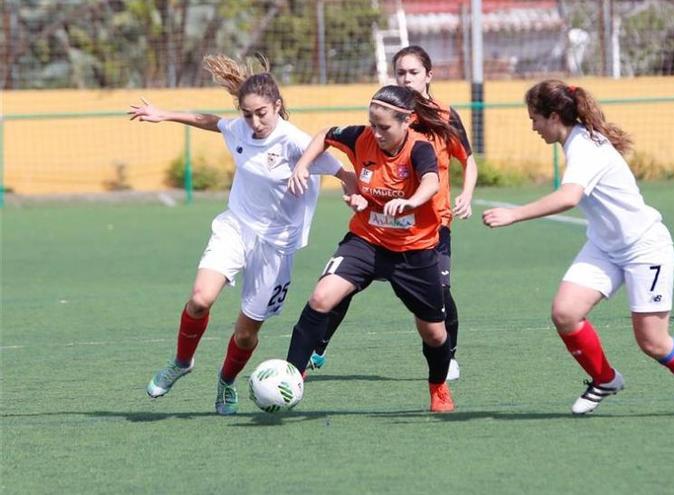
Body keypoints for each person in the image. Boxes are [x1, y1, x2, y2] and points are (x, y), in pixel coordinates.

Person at [482, 80, 674, 417]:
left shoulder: (585, 148)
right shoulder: (577, 141)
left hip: (645, 248)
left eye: (535, 119)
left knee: (652, 342)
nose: (533, 127)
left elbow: (569, 197)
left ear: (554, 116)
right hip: (605, 246)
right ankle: (605, 379)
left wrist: (514, 214)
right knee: (565, 313)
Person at [129, 54, 351, 415]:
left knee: (246, 334)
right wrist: (165, 114)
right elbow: (212, 122)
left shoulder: (296, 143)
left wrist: (354, 192)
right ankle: (182, 362)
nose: (254, 121)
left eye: (261, 112)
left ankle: (226, 381)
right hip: (236, 227)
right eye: (247, 114)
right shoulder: (240, 131)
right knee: (200, 299)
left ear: (277, 106)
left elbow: (343, 172)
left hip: (276, 247)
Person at [286, 85, 461, 413]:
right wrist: (303, 166)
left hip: (415, 251)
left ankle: (438, 386)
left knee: (435, 335)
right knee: (321, 298)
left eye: (385, 127)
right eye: (373, 124)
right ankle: (291, 374)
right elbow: (325, 133)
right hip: (367, 241)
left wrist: (410, 202)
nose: (376, 133)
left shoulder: (419, 149)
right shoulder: (360, 137)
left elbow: (431, 183)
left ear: (406, 121)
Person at [308, 45, 478, 381]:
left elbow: (467, 159)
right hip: (380, 222)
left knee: (440, 292)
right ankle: (317, 347)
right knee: (343, 286)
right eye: (401, 73)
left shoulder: (445, 116)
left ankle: (449, 357)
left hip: (431, 223)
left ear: (429, 75)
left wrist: (467, 194)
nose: (407, 78)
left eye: (413, 72)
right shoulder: (385, 118)